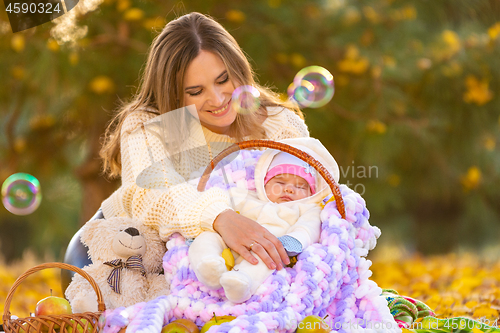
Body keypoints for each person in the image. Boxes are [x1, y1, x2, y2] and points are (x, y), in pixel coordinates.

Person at [99, 12, 311, 274]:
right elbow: (150, 191)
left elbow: (312, 194)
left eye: (223, 80)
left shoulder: (281, 124)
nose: (218, 99)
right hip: (131, 252)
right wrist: (220, 217)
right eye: (196, 92)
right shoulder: (147, 124)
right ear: (173, 95)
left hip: (242, 263)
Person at [188, 137, 340, 303]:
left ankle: (242, 282)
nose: (289, 188)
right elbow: (220, 203)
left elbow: (309, 227)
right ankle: (208, 265)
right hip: (229, 243)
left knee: (268, 257)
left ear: (311, 193)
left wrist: (293, 241)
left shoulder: (306, 208)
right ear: (264, 184)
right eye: (280, 182)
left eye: (300, 186)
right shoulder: (247, 196)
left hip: (269, 246)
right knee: (207, 238)